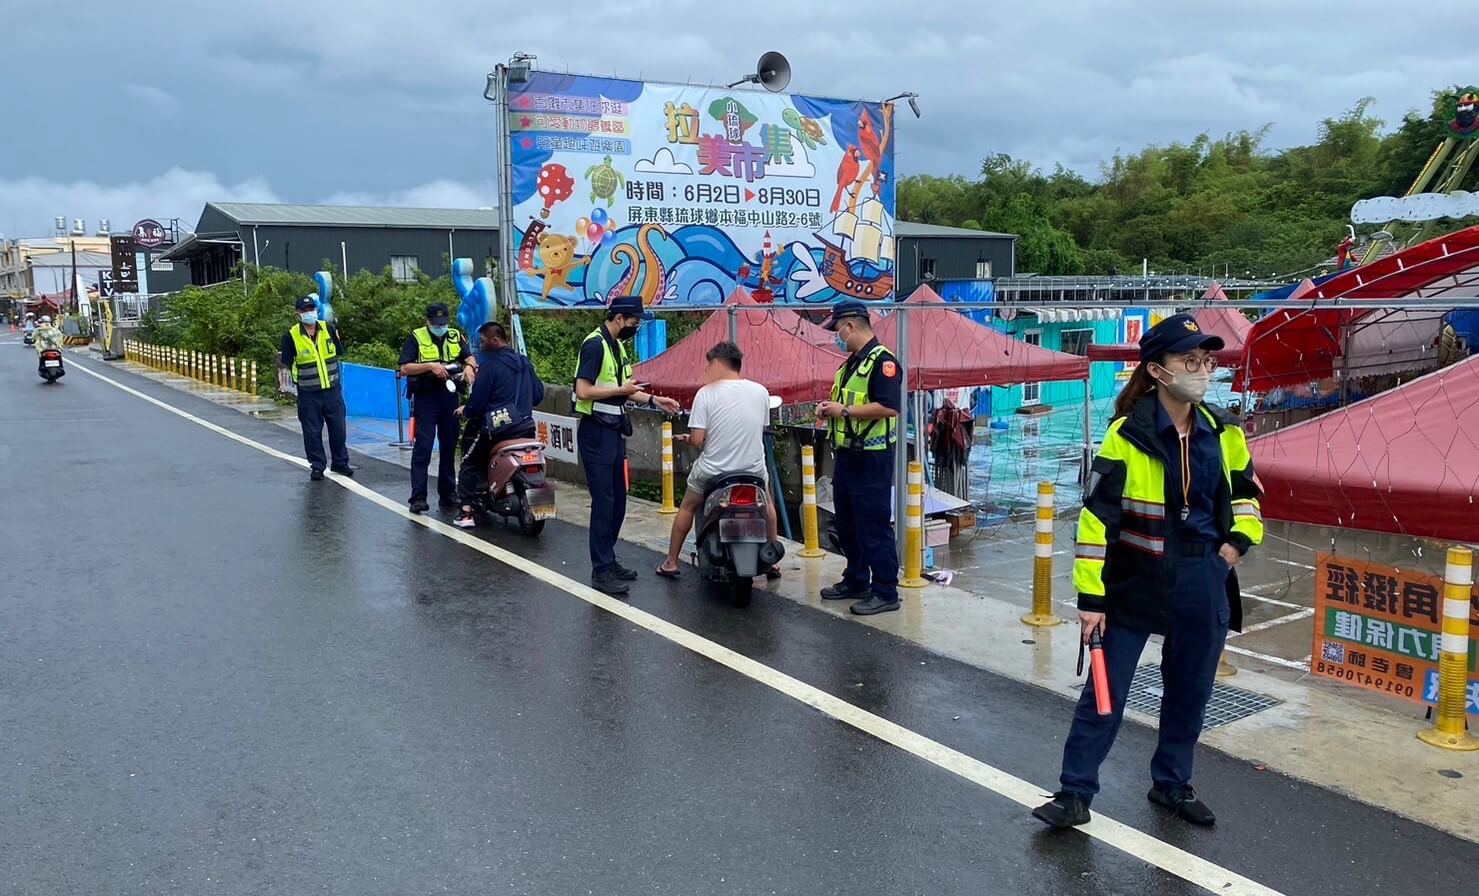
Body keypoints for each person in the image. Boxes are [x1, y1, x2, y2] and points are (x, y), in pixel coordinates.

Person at [1033, 313, 1264, 831]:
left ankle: (1172, 783)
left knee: (1190, 687)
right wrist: (1091, 600)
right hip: (1133, 582)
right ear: (1158, 371)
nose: (1202, 370)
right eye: (1190, 360)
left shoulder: (1224, 431)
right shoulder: (1125, 436)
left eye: (1206, 360)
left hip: (1202, 578)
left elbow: (1247, 495)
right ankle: (1075, 793)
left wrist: (1232, 549)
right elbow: (1097, 520)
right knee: (1105, 690)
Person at [573, 295, 680, 595]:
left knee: (619, 499)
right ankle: (601, 569)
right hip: (596, 432)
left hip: (614, 431)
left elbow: (628, 389)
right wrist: (621, 390)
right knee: (604, 501)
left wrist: (654, 400)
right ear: (620, 318)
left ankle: (609, 558)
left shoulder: (617, 346)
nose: (636, 325)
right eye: (634, 320)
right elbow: (583, 390)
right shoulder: (594, 345)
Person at [654, 341, 778, 579]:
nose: (707, 370)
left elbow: (699, 440)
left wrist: (689, 439)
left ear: (718, 364)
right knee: (768, 505)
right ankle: (771, 559)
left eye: (709, 364)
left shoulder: (706, 393)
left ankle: (671, 562)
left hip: (714, 472)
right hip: (753, 471)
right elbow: (749, 428)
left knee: (688, 506)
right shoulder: (761, 391)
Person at [813, 300, 902, 616]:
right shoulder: (851, 363)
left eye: (838, 329)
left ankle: (886, 591)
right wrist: (829, 409)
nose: (837, 336)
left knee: (873, 526)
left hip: (872, 459)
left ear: (850, 326)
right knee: (848, 523)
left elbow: (890, 406)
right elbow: (845, 403)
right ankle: (856, 580)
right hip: (847, 457)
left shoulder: (883, 362)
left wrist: (845, 411)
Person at [454, 321, 544, 528]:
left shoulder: (490, 366)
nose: (481, 346)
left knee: (470, 460)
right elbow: (538, 395)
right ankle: (540, 507)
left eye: (483, 342)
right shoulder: (523, 362)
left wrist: (466, 410)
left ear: (495, 340)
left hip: (498, 430)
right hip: (526, 427)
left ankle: (465, 512)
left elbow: (477, 404)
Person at [398, 303, 475, 514]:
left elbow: (469, 358)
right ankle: (418, 497)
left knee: (449, 447)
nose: (440, 326)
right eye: (436, 323)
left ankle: (448, 493)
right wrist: (431, 366)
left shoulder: (455, 336)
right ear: (428, 321)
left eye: (443, 323)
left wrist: (469, 367)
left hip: (449, 396)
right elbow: (405, 367)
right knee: (423, 447)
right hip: (426, 398)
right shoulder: (416, 337)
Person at [280, 295, 353, 481]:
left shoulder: (328, 329)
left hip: (332, 389)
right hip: (308, 392)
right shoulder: (291, 336)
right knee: (312, 432)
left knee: (338, 428)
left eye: (311, 309)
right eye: (304, 310)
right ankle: (318, 466)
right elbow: (287, 363)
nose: (309, 313)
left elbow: (338, 352)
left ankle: (340, 463)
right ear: (297, 314)